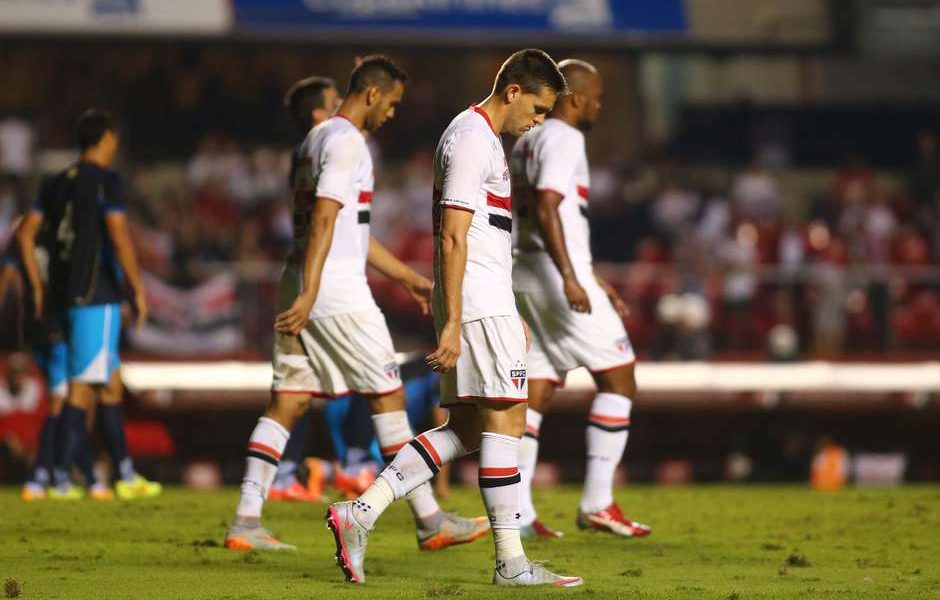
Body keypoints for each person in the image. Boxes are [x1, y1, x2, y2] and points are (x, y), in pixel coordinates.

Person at [327, 48, 582, 587]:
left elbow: (483, 237)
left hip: (486, 301)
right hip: (477, 303)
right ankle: (511, 563)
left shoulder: (479, 138)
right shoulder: (471, 139)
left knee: (465, 427)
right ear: (513, 91)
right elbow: (452, 234)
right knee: (508, 419)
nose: (538, 123)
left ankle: (360, 514)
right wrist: (455, 320)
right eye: (537, 110)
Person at [225, 55, 487, 553]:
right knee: (388, 396)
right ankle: (430, 520)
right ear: (372, 95)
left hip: (303, 278)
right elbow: (325, 219)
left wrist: (406, 277)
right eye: (391, 103)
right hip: (336, 290)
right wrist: (313, 290)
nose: (392, 112)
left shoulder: (312, 142)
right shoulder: (348, 142)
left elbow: (348, 229)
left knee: (288, 400)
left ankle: (245, 519)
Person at [510, 59, 651, 539]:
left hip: (525, 271)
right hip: (554, 276)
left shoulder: (525, 137)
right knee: (620, 376)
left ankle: (520, 513)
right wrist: (572, 278)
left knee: (537, 389)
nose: (598, 105)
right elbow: (549, 205)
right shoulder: (564, 137)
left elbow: (542, 211)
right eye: (595, 97)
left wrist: (590, 275)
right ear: (574, 98)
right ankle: (596, 502)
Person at [15, 109, 161, 500]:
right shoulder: (107, 181)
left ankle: (125, 475)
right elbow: (118, 233)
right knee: (82, 388)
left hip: (64, 295)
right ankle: (58, 476)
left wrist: (37, 287)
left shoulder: (56, 181)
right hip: (97, 295)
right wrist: (137, 286)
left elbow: (25, 234)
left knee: (110, 383)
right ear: (107, 138)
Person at [267, 75, 342, 503]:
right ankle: (361, 470)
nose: (342, 108)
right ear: (319, 114)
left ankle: (281, 477)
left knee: (296, 392)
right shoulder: (326, 149)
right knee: (382, 388)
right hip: (320, 280)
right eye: (336, 102)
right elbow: (326, 221)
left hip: (302, 272)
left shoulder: (305, 152)